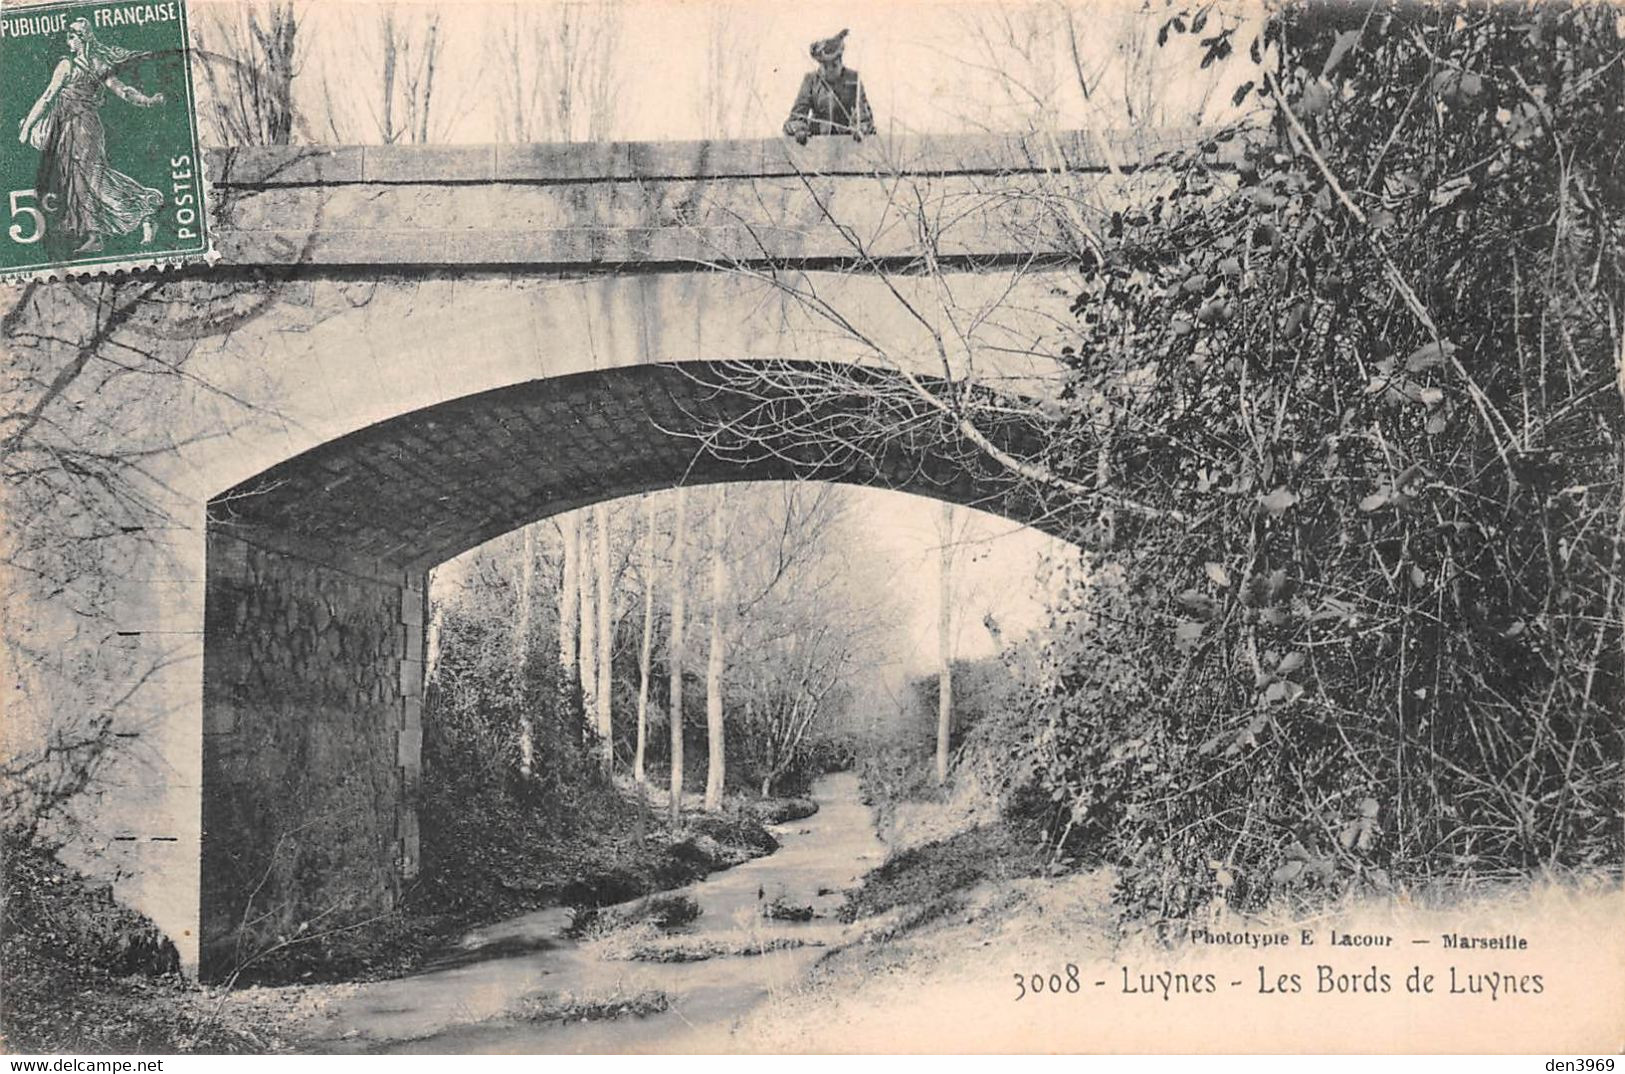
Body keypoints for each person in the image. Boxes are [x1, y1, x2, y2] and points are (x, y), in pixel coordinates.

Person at [17, 18, 166, 254]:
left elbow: (122, 90)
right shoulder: (84, 64)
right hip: (71, 128)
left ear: (83, 38)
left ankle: (144, 209)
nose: (69, 40)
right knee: (80, 180)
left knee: (93, 179)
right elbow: (48, 97)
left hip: (83, 129)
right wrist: (147, 101)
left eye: (72, 36)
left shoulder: (74, 66)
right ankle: (95, 234)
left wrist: (27, 128)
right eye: (68, 36)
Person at [782, 28, 876, 144]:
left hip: (847, 142)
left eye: (834, 65)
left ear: (841, 63)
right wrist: (799, 129)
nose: (829, 70)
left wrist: (862, 128)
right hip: (818, 142)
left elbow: (864, 116)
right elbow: (797, 115)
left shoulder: (853, 79)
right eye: (825, 66)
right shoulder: (811, 80)